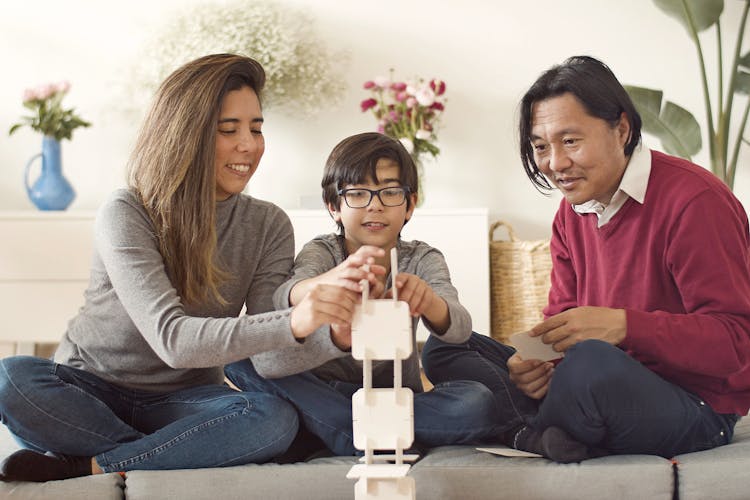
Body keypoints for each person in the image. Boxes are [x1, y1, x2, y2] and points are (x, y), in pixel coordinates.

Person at [0, 53, 334, 482]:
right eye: (228, 129)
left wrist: (330, 331)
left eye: (256, 128)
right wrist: (293, 321)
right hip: (89, 392)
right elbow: (173, 340)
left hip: (183, 404)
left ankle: (91, 465)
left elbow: (269, 360)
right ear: (186, 133)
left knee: (271, 416)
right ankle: (171, 454)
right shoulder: (127, 210)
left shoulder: (268, 224)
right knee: (11, 378)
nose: (249, 145)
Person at [422, 55, 750, 463]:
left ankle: (517, 428)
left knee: (589, 365)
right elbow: (561, 325)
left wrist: (626, 327)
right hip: (592, 385)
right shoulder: (571, 213)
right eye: (541, 147)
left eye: (570, 141)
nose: (555, 164)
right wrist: (536, 365)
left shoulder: (695, 202)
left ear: (622, 128)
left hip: (695, 407)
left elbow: (735, 343)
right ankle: (536, 427)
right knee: (446, 347)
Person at [225, 132, 501, 457]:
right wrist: (330, 282)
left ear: (410, 205)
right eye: (358, 194)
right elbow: (287, 293)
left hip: (396, 398)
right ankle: (352, 429)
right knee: (241, 354)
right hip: (326, 391)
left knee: (476, 401)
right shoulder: (323, 252)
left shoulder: (422, 258)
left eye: (389, 192)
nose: (375, 205)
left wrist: (429, 302)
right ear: (334, 207)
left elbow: (460, 328)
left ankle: (337, 430)